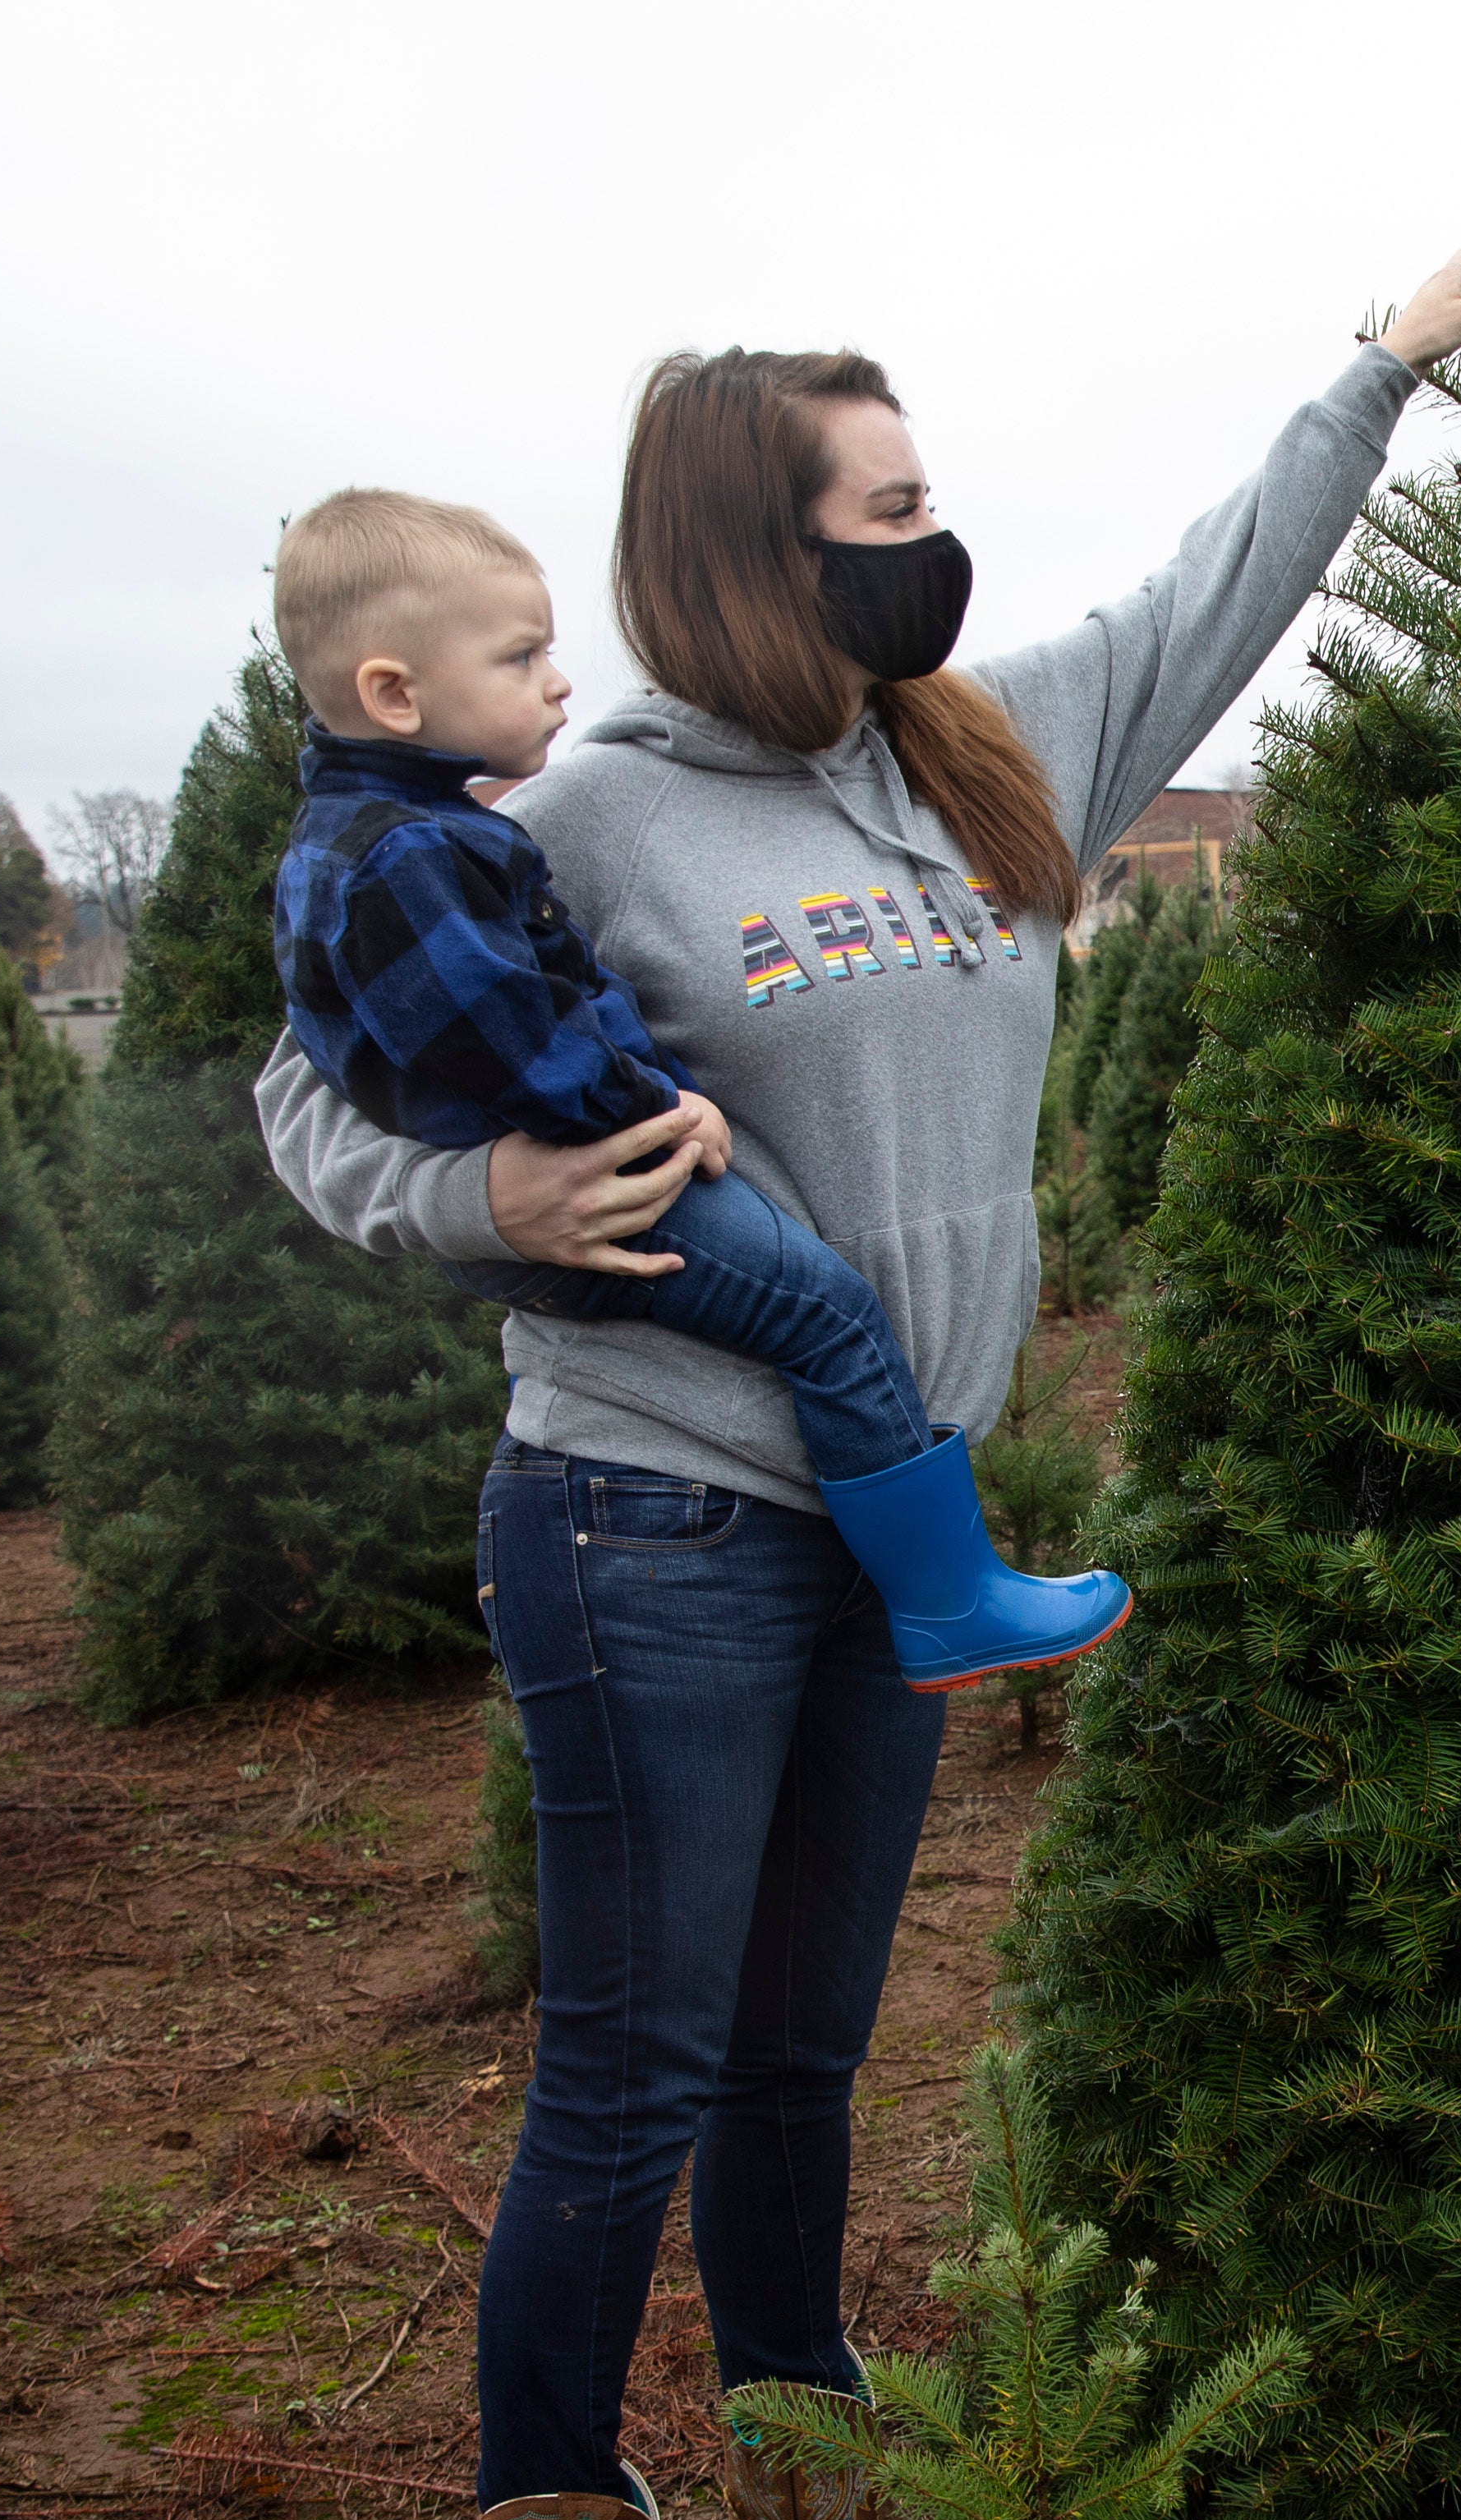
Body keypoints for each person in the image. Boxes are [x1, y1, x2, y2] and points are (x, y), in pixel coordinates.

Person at [255, 244, 1461, 2520]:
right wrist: (488, 1187)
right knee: (632, 2074)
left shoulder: (981, 751)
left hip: (885, 1525)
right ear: (753, 548)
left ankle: (806, 2500)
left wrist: (1378, 373)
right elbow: (305, 1103)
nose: (935, 546)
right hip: (655, 1513)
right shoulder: (586, 800)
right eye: (892, 507)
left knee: (810, 2054)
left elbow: (1214, 589)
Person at [264, 488, 1127, 1694]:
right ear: (395, 694)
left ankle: (936, 1588)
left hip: (606, 1160)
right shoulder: (410, 858)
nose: (559, 682)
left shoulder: (423, 832)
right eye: (519, 658)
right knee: (824, 1312)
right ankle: (945, 1594)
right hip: (619, 1180)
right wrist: (646, 1110)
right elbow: (507, 1037)